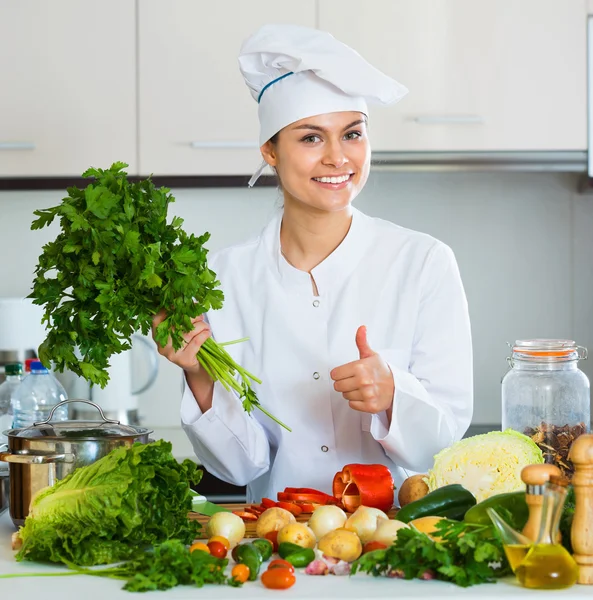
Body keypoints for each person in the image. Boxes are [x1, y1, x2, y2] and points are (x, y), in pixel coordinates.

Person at [152, 24, 473, 503]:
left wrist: (392, 397)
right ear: (270, 152)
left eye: (352, 134)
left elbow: (441, 444)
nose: (338, 157)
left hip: (397, 535)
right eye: (310, 138)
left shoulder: (423, 262)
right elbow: (241, 466)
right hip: (277, 538)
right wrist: (198, 374)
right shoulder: (221, 278)